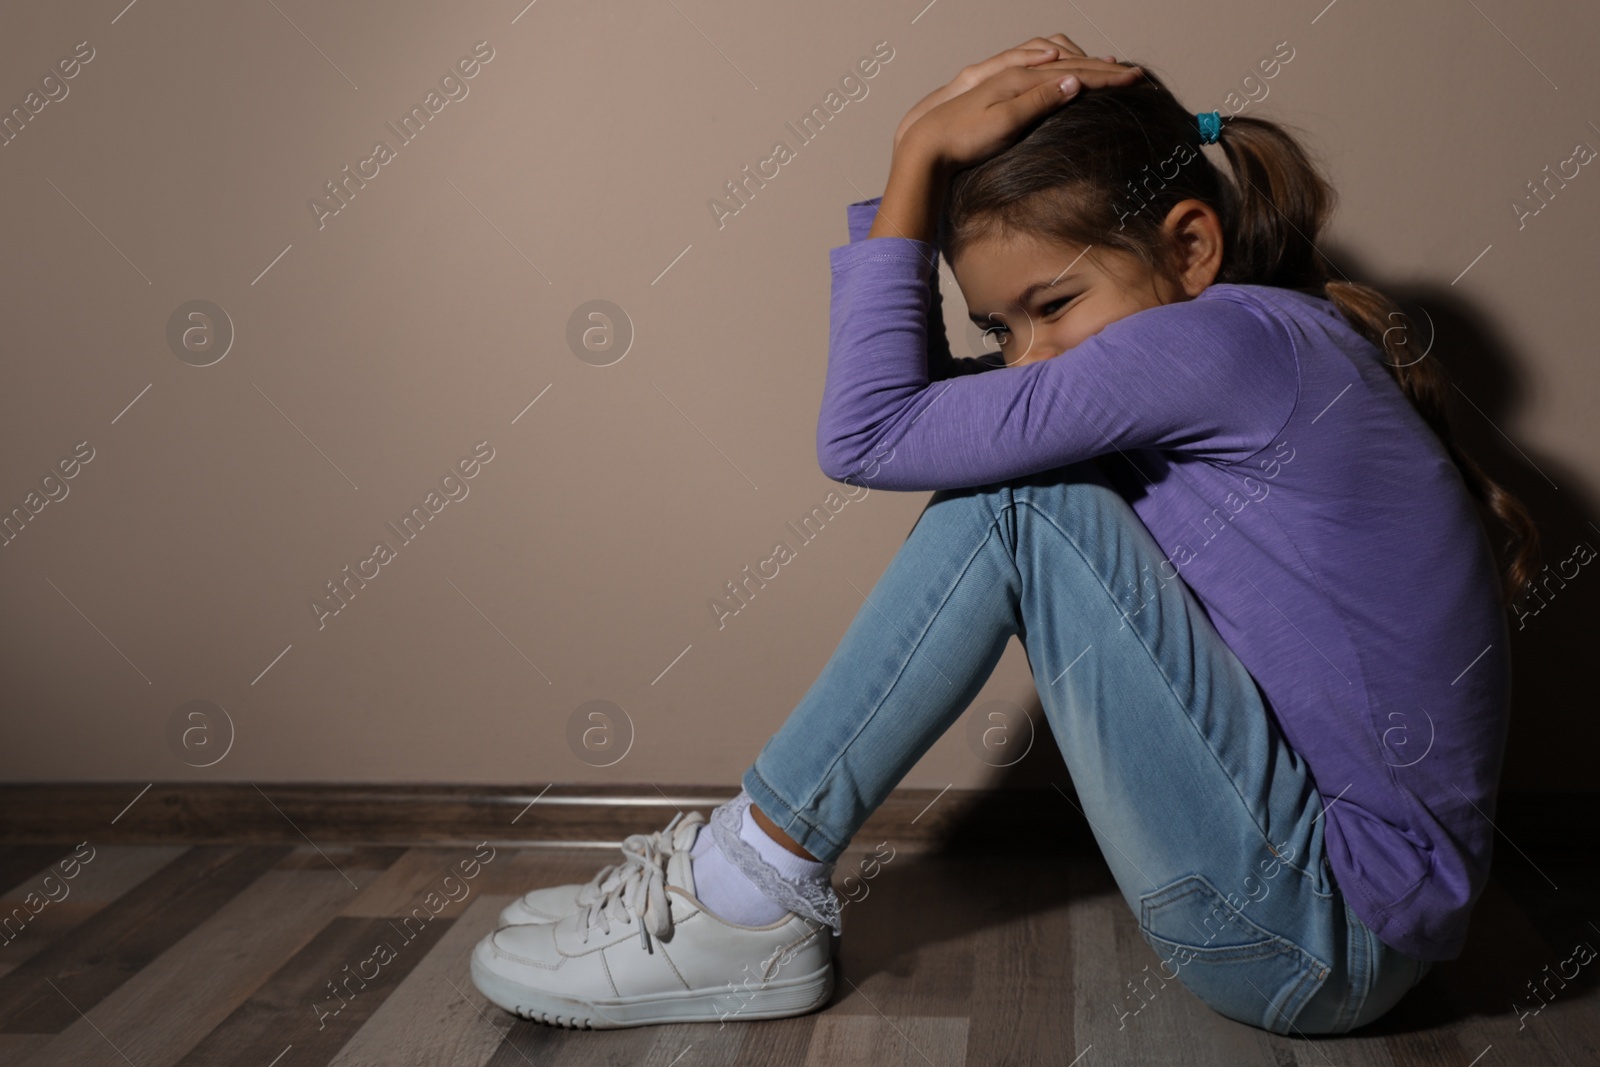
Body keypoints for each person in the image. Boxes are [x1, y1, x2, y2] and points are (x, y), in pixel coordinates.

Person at [470, 33, 1537, 1035]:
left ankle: (746, 886)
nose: (1027, 358)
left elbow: (868, 431)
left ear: (1191, 246)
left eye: (1052, 303)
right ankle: (740, 873)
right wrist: (923, 194)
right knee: (1015, 471)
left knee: (1024, 496)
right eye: (998, 326)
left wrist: (916, 155)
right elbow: (923, 419)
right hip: (1319, 924)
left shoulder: (1227, 347)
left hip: (1315, 938)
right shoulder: (1230, 345)